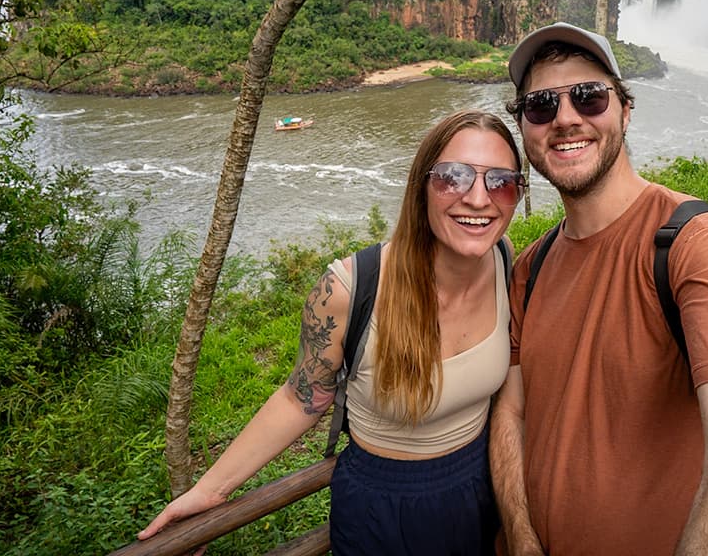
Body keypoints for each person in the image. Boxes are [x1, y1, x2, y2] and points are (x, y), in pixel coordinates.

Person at [139, 109, 526, 555]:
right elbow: (300, 398)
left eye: (501, 180)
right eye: (453, 177)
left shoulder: (504, 259)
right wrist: (211, 489)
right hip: (382, 509)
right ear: (421, 187)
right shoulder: (349, 288)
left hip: (479, 490)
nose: (479, 199)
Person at [490, 22, 708, 556]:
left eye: (588, 96)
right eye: (540, 105)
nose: (565, 118)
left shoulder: (691, 240)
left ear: (625, 111)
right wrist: (519, 534)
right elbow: (511, 414)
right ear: (524, 128)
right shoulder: (529, 269)